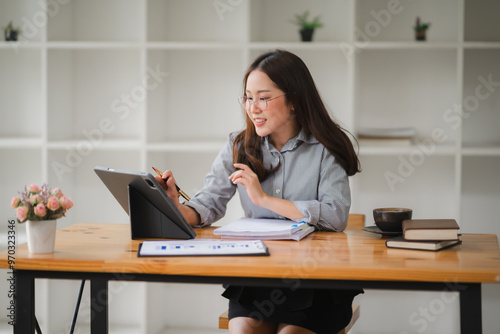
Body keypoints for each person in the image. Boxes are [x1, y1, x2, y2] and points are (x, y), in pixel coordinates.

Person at [156, 49, 362, 334]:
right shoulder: (238, 145)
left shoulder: (325, 147)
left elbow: (336, 216)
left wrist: (264, 200)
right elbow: (208, 204)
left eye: (264, 98)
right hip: (258, 273)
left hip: (317, 276)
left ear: (294, 101)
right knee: (243, 331)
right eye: (248, 98)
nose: (253, 108)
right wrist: (175, 208)